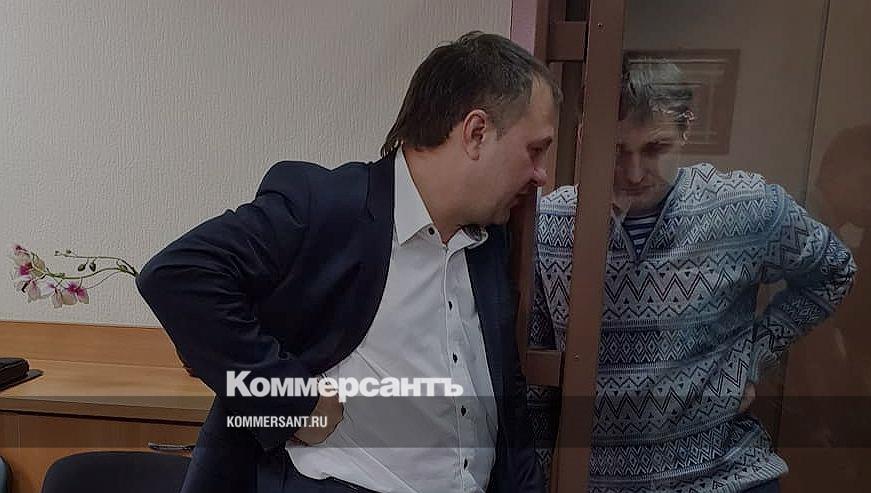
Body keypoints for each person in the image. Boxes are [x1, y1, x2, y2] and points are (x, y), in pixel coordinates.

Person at [136, 32, 561, 493]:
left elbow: (507, 405)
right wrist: (292, 402)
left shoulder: (492, 241)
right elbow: (178, 276)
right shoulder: (327, 208)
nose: (541, 175)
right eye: (535, 150)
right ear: (476, 133)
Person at [528, 59, 856, 492]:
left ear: (685, 132)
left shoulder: (743, 207)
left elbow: (834, 269)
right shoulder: (550, 224)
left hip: (728, 476)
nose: (633, 172)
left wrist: (754, 355)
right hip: (604, 480)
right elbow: (537, 378)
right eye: (617, 149)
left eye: (655, 148)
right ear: (586, 136)